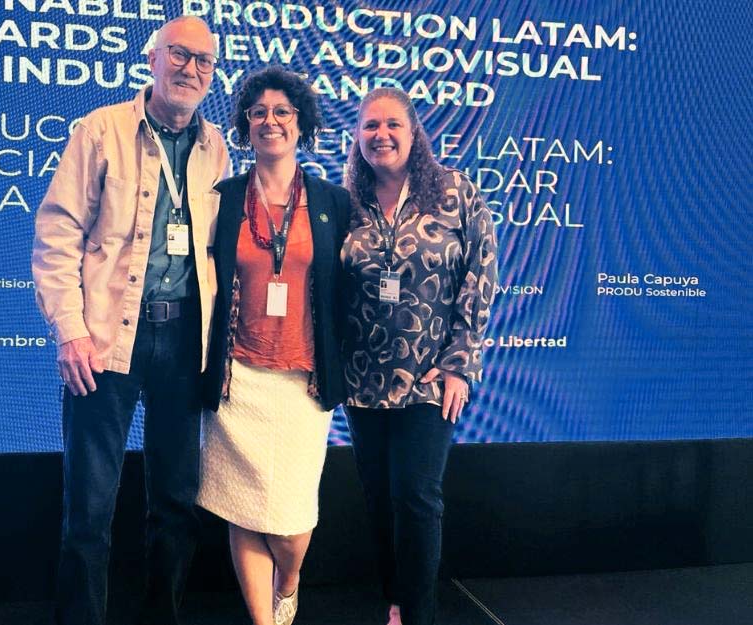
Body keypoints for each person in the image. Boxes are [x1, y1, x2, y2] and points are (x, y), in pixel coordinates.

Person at [31, 16, 230, 625]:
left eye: (203, 60)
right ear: (152, 59)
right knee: (89, 508)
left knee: (176, 501)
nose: (190, 69)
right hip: (105, 338)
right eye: (179, 54)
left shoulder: (215, 146)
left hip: (186, 340)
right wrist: (69, 331)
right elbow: (57, 233)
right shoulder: (101, 130)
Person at [197, 67, 350, 625]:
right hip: (238, 378)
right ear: (245, 125)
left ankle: (290, 579)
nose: (270, 121)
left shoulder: (333, 202)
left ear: (301, 122)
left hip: (303, 381)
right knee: (242, 510)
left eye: (282, 111)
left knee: (290, 521)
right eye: (258, 112)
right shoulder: (224, 198)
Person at [341, 87, 498, 625]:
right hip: (362, 379)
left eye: (392, 125)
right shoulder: (346, 204)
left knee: (416, 495)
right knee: (379, 497)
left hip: (429, 378)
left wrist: (460, 363)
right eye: (370, 126)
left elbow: (480, 275)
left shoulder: (455, 192)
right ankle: (395, 601)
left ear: (414, 133)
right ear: (357, 136)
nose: (380, 135)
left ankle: (418, 614)